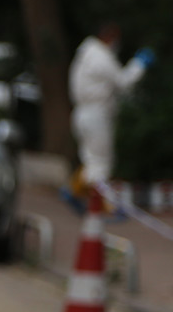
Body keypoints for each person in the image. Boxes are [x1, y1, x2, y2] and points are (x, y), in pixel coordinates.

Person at [64, 21, 154, 212]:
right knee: (101, 162)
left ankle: (74, 191)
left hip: (81, 113)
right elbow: (123, 81)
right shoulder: (100, 57)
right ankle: (101, 204)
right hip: (96, 114)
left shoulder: (85, 53)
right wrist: (140, 64)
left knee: (91, 159)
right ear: (109, 36)